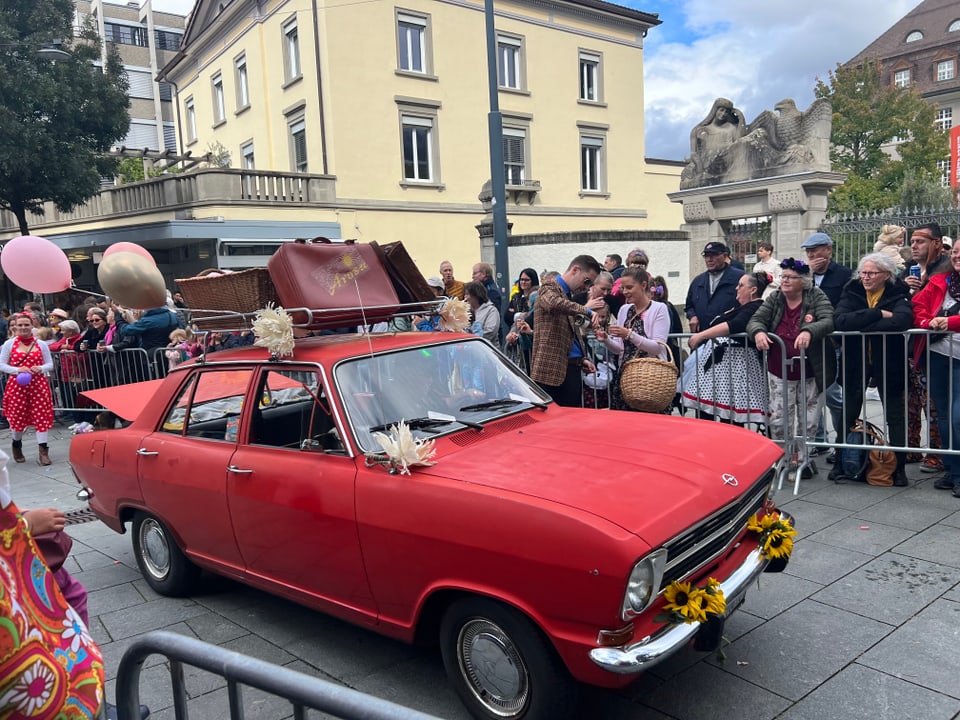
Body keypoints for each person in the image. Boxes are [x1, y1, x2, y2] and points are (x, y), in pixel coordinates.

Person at [747, 258, 835, 478]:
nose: (784, 281)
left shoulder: (816, 296)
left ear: (803, 281)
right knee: (778, 419)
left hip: (810, 370)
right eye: (783, 276)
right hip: (780, 369)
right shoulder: (775, 298)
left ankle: (804, 461)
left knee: (809, 421)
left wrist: (808, 330)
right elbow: (755, 319)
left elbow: (828, 319)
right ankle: (784, 459)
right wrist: (758, 332)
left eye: (789, 277)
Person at [832, 252, 912, 486]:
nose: (865, 277)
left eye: (871, 273)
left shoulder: (898, 291)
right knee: (847, 414)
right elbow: (840, 321)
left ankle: (899, 468)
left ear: (886, 275)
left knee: (895, 416)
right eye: (863, 272)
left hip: (889, 363)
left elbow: (901, 321)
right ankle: (839, 463)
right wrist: (876, 314)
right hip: (855, 363)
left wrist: (863, 323)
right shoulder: (853, 289)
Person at [681, 271, 770, 425]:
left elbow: (735, 325)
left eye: (741, 285)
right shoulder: (740, 307)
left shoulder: (756, 307)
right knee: (708, 411)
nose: (737, 288)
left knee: (730, 415)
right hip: (720, 369)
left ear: (753, 290)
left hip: (736, 370)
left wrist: (701, 335)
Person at [912, 241, 960, 497]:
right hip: (938, 355)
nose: (957, 256)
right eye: (955, 252)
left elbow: (950, 320)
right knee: (942, 416)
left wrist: (949, 321)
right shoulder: (940, 281)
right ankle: (952, 472)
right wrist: (926, 321)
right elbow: (918, 306)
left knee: (957, 417)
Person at [901, 223, 950, 472]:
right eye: (912, 242)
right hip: (909, 346)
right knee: (909, 402)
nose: (914, 246)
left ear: (937, 243)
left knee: (934, 405)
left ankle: (937, 454)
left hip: (935, 347)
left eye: (920, 241)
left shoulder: (947, 269)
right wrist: (905, 288)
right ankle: (911, 448)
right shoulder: (907, 270)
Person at [529, 255, 604, 406]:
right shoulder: (548, 287)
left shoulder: (567, 297)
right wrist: (587, 311)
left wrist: (581, 358)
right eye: (587, 281)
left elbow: (570, 331)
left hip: (571, 368)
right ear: (575, 270)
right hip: (550, 372)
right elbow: (554, 303)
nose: (587, 287)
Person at [596, 266, 671, 412]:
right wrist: (606, 339)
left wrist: (629, 335)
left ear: (643, 285)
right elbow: (620, 349)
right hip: (627, 378)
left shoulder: (659, 309)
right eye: (623, 288)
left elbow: (658, 347)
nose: (625, 292)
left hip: (650, 380)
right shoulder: (624, 310)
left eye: (629, 287)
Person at [0, 313, 55, 465]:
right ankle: (16, 444)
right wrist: (18, 370)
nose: (23, 328)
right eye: (20, 325)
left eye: (26, 325)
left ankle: (43, 451)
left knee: (41, 416)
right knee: (17, 418)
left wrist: (40, 368)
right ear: (15, 326)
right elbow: (2, 365)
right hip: (17, 386)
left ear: (32, 326)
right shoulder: (9, 344)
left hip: (38, 385)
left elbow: (50, 364)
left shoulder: (41, 344)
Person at [684, 241, 744, 333]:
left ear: (725, 256)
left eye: (714, 255)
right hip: (702, 338)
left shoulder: (739, 278)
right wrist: (693, 316)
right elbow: (689, 306)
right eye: (706, 256)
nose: (709, 259)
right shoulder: (698, 281)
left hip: (729, 339)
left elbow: (749, 306)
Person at [49, 319, 88, 422]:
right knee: (70, 398)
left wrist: (69, 351)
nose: (61, 332)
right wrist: (62, 346)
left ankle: (82, 420)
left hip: (77, 374)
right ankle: (76, 420)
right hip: (66, 374)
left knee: (79, 399)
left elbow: (81, 357)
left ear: (70, 331)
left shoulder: (79, 339)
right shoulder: (65, 339)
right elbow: (51, 347)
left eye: (63, 330)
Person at [504, 267, 539, 370]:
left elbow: (529, 316)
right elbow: (507, 317)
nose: (523, 282)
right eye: (521, 279)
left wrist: (516, 315)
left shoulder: (536, 295)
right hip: (515, 333)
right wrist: (517, 315)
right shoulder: (516, 297)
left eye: (526, 280)